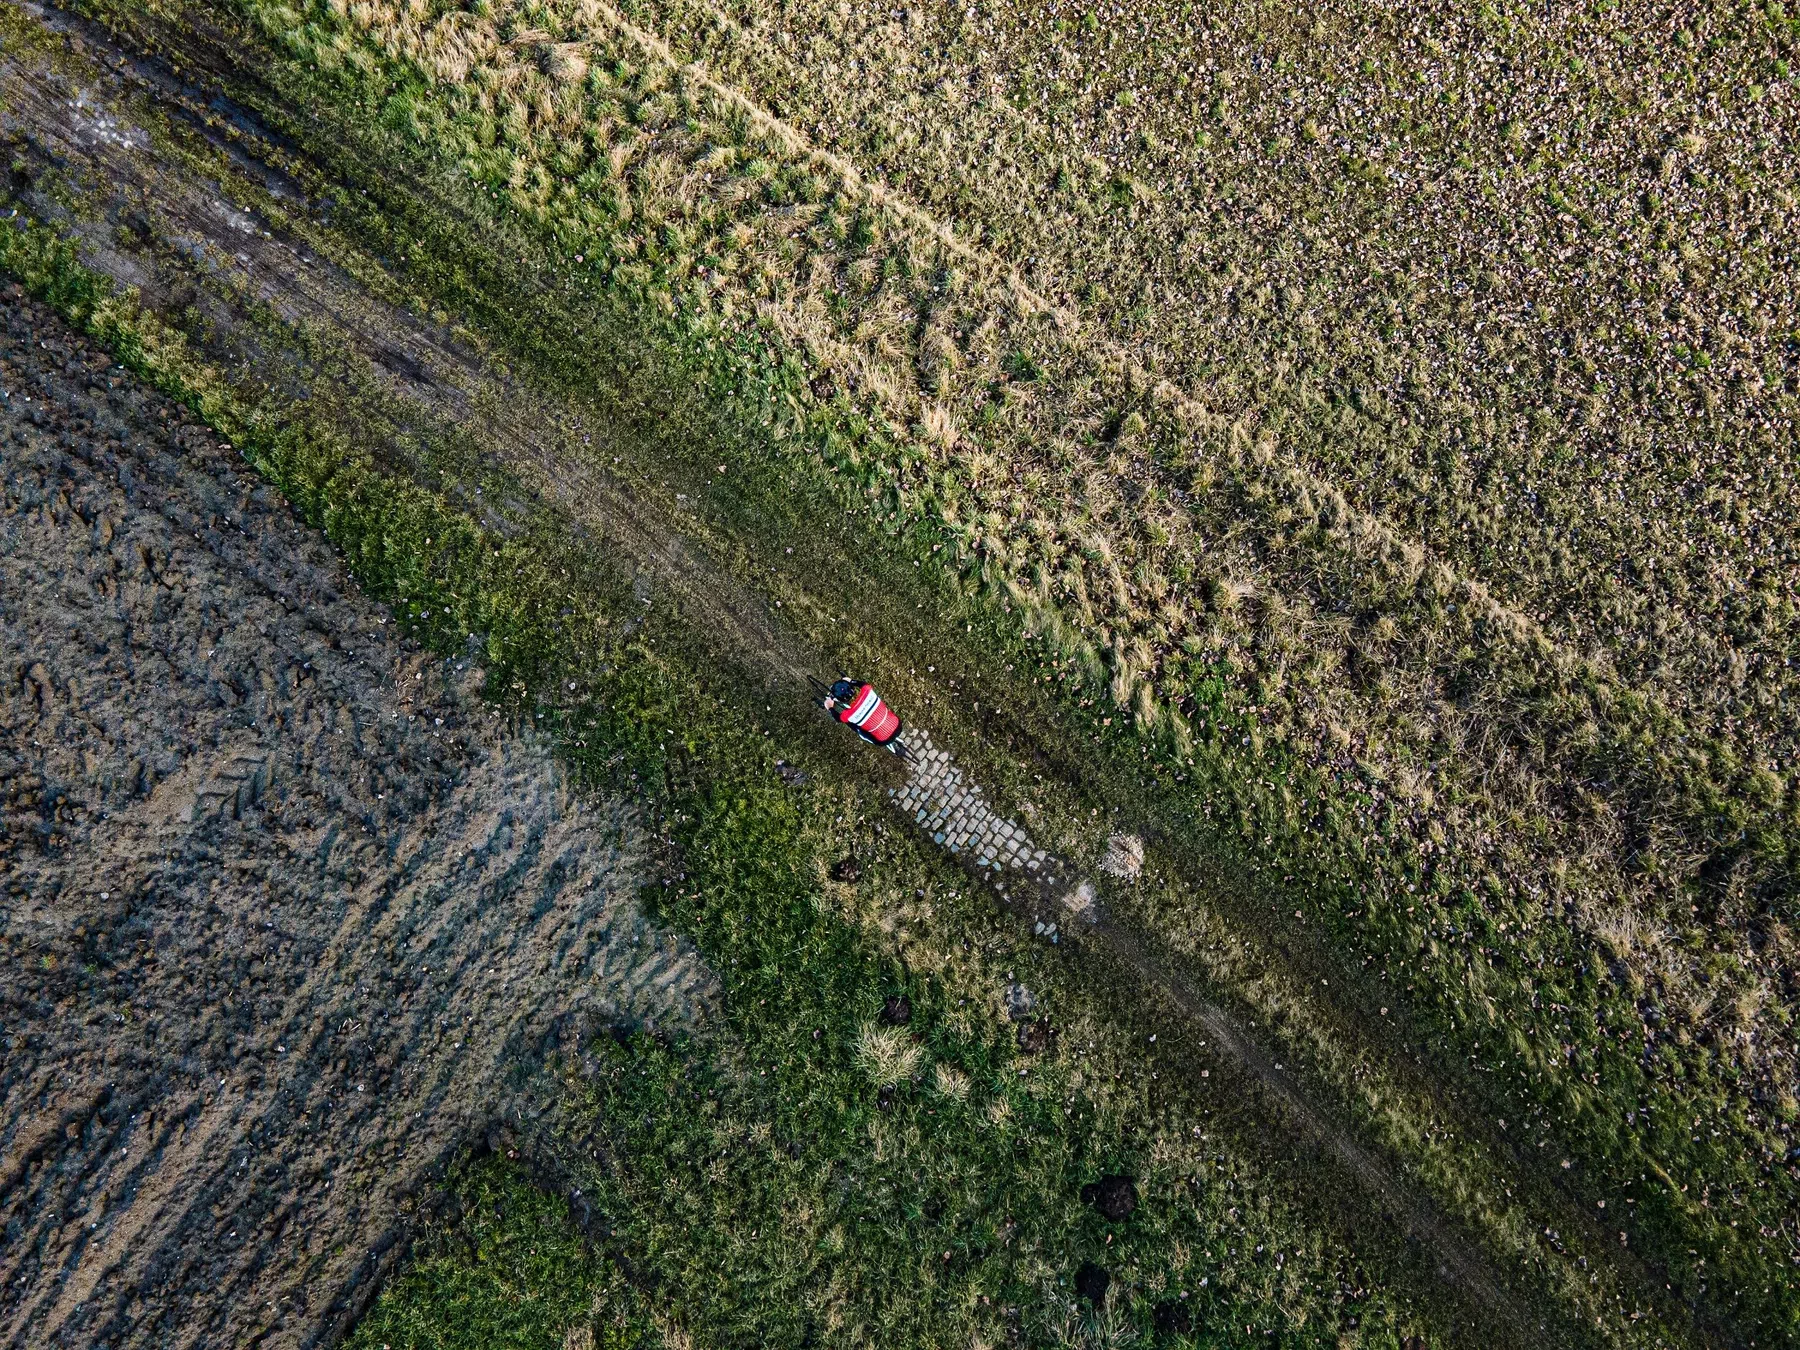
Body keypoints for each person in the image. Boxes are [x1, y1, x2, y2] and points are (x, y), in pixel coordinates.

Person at [824, 677, 906, 754]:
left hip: (884, 740)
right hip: (898, 725)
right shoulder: (867, 690)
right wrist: (851, 681)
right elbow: (862, 684)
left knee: (861, 733)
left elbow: (838, 718)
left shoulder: (847, 715)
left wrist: (830, 707)